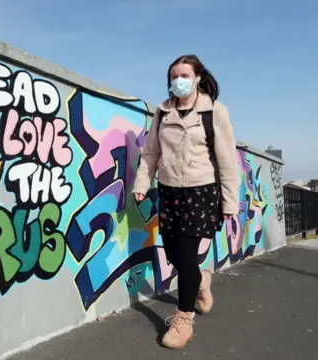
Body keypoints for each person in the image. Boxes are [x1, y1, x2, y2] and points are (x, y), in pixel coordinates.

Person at [132, 54, 240, 349]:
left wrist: (230, 202)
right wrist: (143, 183)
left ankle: (184, 319)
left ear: (198, 78)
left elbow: (228, 160)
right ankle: (202, 280)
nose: (178, 81)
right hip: (168, 191)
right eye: (173, 76)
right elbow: (151, 152)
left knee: (187, 251)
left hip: (200, 190)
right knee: (172, 251)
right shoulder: (162, 112)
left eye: (184, 75)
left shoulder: (214, 111)